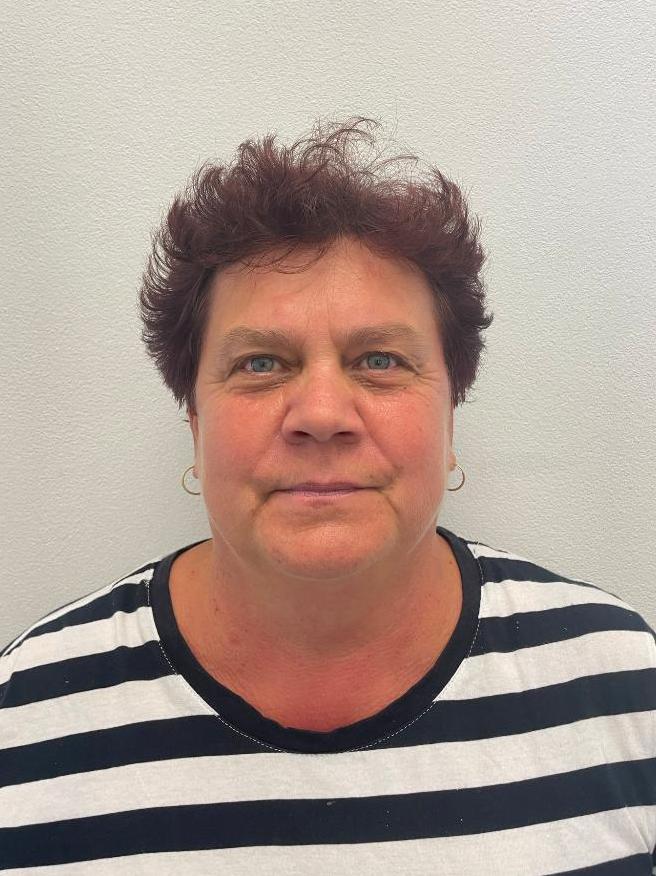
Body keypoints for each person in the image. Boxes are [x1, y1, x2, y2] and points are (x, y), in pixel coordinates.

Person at [1, 117, 654, 874]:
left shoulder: (622, 689)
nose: (320, 415)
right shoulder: (24, 723)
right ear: (195, 423)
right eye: (260, 364)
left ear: (450, 416)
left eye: (379, 359)